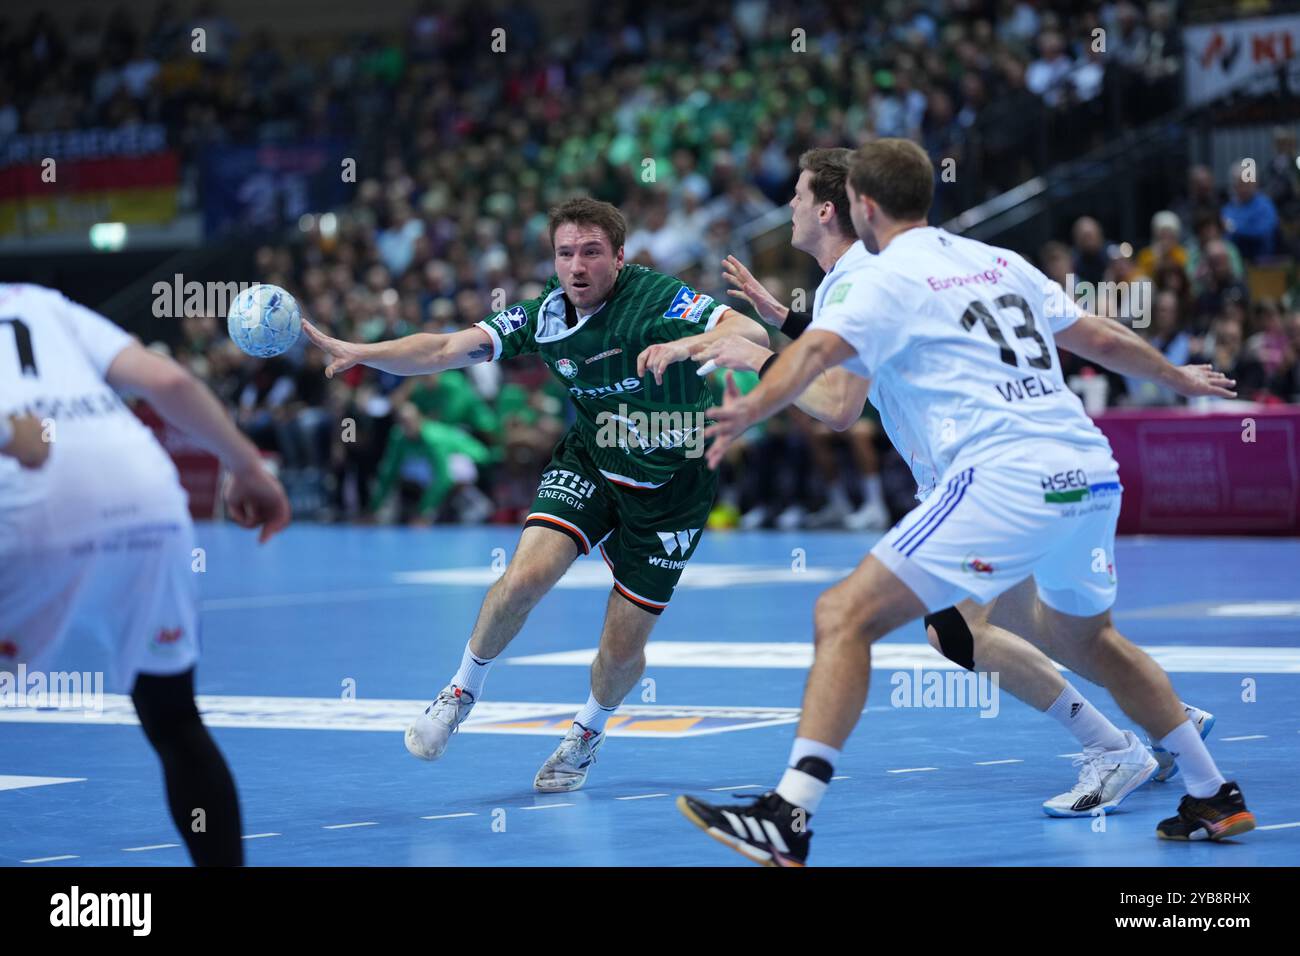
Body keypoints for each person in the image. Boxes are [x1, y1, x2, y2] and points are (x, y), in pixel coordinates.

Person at [675, 140, 1253, 865]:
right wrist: (1177, 377)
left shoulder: (878, 277)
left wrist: (747, 404)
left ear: (861, 205)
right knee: (1074, 637)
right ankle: (1210, 787)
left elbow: (832, 386)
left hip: (997, 479)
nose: (792, 207)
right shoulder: (992, 259)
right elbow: (1094, 334)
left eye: (802, 197)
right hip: (1085, 467)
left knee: (843, 616)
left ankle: (788, 815)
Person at [303, 197, 769, 792]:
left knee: (621, 652)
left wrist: (686, 346)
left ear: (619, 258)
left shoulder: (657, 299)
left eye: (592, 253)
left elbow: (747, 329)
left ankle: (587, 732)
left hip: (672, 489)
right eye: (565, 253)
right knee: (523, 578)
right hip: (595, 462)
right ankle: (461, 690)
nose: (577, 266)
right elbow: (445, 349)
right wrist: (361, 354)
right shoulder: (545, 317)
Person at [0, 284, 291, 866]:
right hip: (143, 491)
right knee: (173, 717)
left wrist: (9, 435)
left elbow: (24, 435)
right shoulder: (40, 301)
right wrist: (248, 468)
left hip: (28, 497)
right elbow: (170, 383)